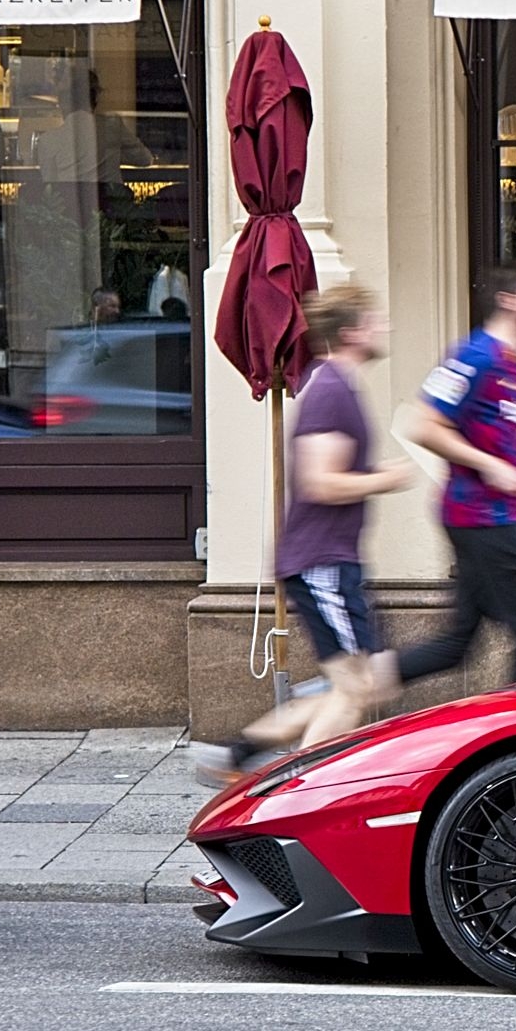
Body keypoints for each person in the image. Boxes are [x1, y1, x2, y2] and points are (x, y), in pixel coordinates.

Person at [200, 286, 416, 782]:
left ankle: (236, 756)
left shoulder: (336, 386)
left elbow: (334, 469)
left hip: (329, 561)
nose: (384, 327)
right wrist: (387, 478)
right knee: (357, 688)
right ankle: (295, 788)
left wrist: (374, 470)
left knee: (358, 685)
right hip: (322, 563)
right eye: (374, 320)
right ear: (351, 332)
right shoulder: (332, 390)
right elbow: (320, 481)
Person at [397, 265, 516, 688]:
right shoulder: (476, 356)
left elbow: (490, 430)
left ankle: (356, 683)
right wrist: (492, 466)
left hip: (488, 515)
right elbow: (423, 425)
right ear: (510, 301)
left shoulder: (515, 363)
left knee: (457, 644)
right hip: (484, 517)